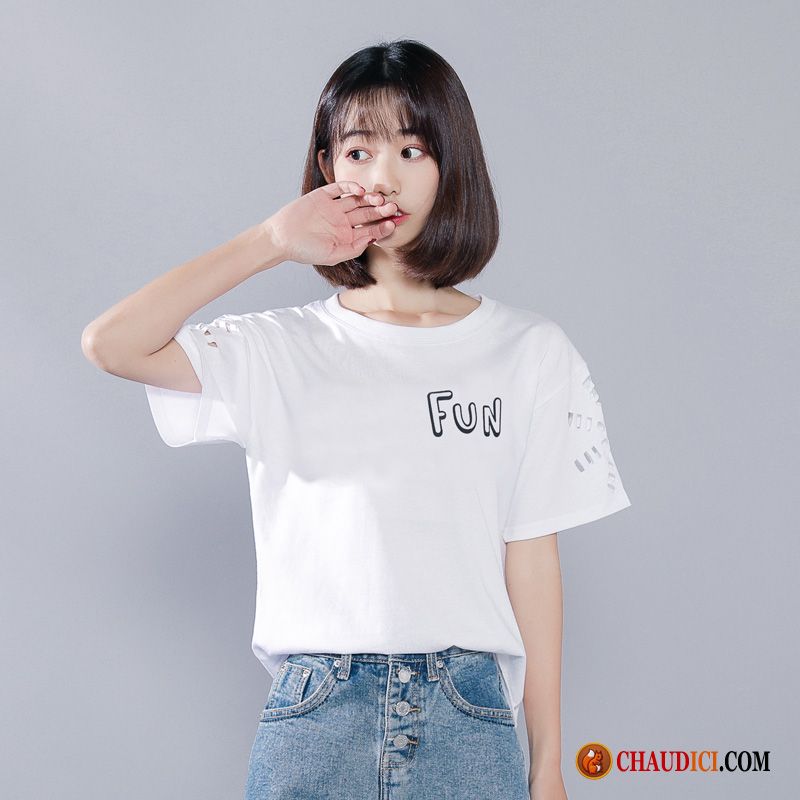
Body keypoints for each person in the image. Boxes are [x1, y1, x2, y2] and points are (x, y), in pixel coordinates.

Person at [82, 39, 631, 800]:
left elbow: (532, 559)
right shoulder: (281, 347)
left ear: (450, 164)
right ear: (326, 168)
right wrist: (272, 241)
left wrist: (547, 766)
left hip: (469, 723)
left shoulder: (529, 351)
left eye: (412, 149)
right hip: (317, 719)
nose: (383, 178)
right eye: (358, 150)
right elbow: (111, 343)